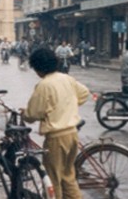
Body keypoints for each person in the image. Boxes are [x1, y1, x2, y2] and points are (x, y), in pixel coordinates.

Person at [21, 47, 90, 199]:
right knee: (68, 176)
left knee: (53, 180)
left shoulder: (44, 85)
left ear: (38, 67)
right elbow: (84, 92)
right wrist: (67, 107)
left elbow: (33, 113)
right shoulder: (66, 78)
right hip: (72, 134)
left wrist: (24, 114)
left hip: (56, 138)